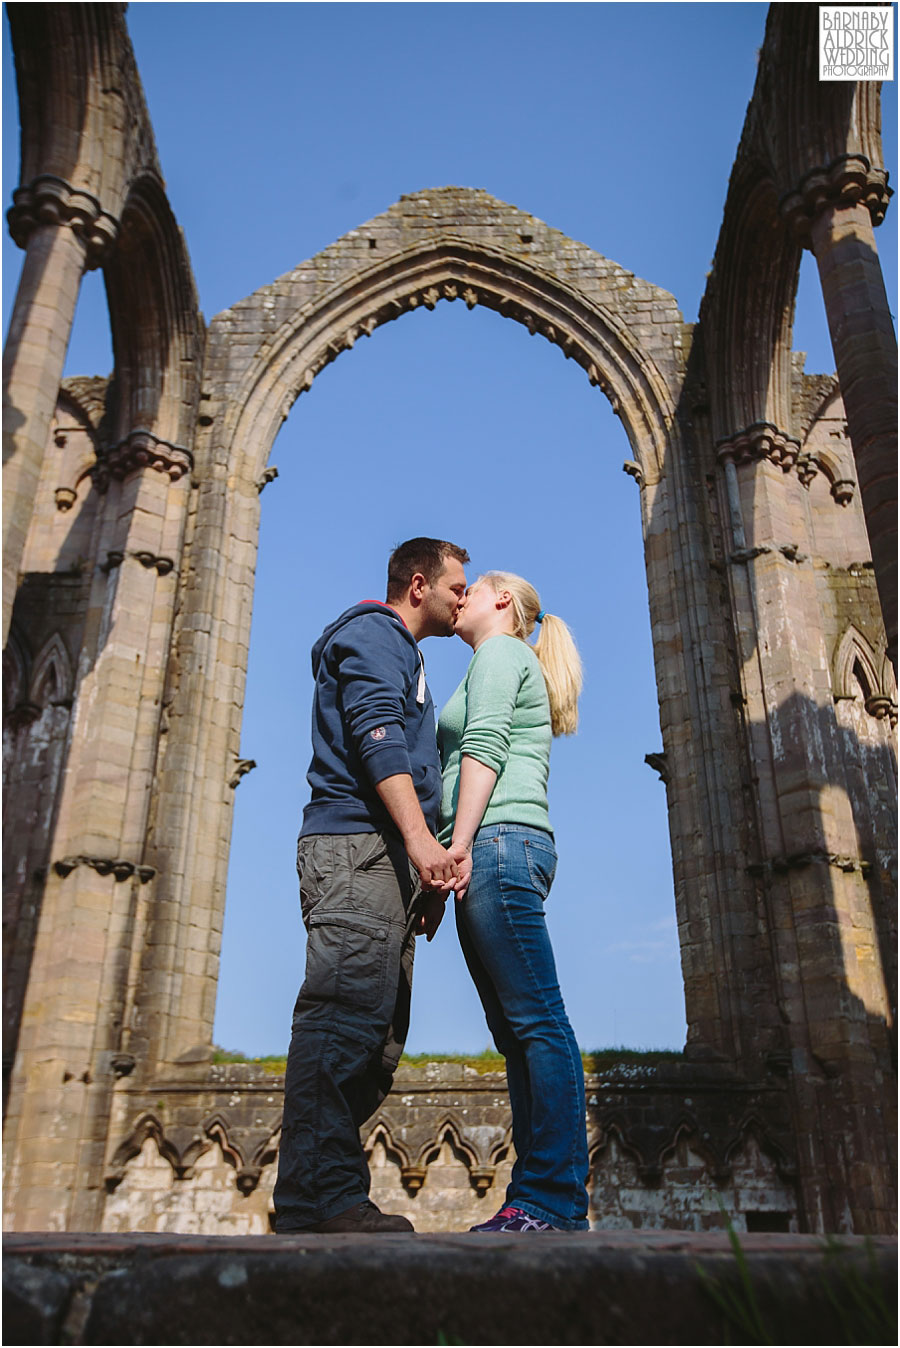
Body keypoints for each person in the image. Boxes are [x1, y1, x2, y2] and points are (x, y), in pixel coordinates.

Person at [273, 537, 470, 1234]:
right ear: (418, 585)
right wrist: (421, 842)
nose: (462, 598)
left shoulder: (399, 650)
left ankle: (316, 1196)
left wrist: (425, 877)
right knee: (341, 1021)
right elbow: (375, 732)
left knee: (376, 1039)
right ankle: (322, 1201)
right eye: (455, 586)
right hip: (356, 846)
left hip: (382, 860)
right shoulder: (373, 635)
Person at [438, 571, 589, 1232]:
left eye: (472, 587)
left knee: (538, 1023)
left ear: (502, 600)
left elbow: (484, 747)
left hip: (498, 843)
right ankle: (534, 1197)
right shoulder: (497, 659)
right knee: (519, 1032)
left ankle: (551, 1200)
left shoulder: (500, 653)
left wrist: (457, 845)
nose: (459, 594)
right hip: (498, 846)